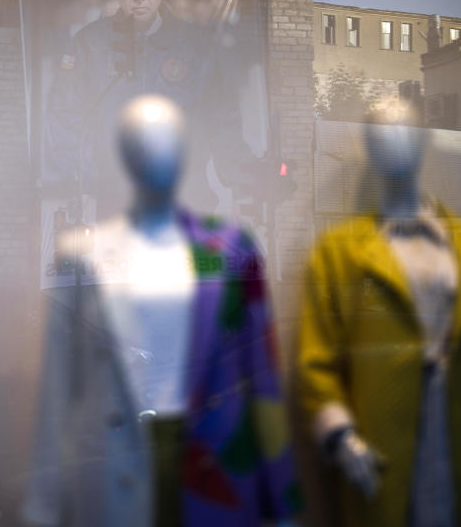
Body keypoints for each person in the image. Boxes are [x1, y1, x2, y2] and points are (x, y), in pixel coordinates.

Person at [24, 95, 299, 527]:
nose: (158, 151)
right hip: (115, 460)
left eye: (170, 138)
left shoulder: (230, 250)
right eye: (143, 140)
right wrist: (42, 508)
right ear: (124, 154)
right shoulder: (81, 253)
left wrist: (283, 504)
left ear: (188, 150)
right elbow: (59, 393)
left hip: (217, 468)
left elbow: (261, 379)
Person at [296, 97, 461, 527]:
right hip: (380, 434)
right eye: (378, 135)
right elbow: (317, 362)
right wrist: (340, 436)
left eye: (404, 131)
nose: (393, 143)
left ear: (424, 142)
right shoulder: (337, 253)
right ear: (366, 150)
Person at [43, 0, 237, 220]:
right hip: (116, 200)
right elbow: (64, 113)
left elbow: (222, 115)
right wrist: (83, 179)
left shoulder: (196, 46)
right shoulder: (90, 44)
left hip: (185, 197)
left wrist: (239, 173)